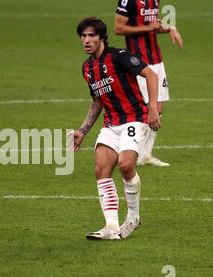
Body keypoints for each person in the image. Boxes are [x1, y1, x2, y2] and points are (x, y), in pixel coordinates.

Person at [71, 17, 160, 240]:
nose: (86, 40)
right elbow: (98, 101)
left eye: (91, 35)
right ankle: (111, 226)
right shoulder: (87, 68)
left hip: (134, 118)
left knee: (126, 165)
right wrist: (83, 130)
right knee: (101, 168)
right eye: (83, 36)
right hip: (111, 123)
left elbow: (151, 74)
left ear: (101, 37)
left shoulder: (119, 57)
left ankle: (133, 217)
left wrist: (152, 108)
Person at [114, 0, 183, 167]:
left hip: (157, 60)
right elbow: (119, 28)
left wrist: (169, 29)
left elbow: (153, 25)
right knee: (143, 110)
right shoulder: (128, 1)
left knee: (158, 110)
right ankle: (125, 150)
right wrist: (148, 28)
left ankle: (145, 155)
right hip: (139, 62)